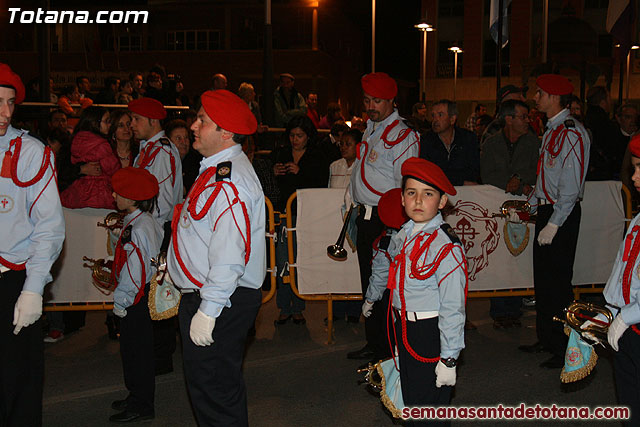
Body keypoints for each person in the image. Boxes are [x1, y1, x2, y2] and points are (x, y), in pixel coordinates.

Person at [167, 89, 265, 426]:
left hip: (221, 298)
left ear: (225, 132)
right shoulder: (217, 169)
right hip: (216, 294)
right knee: (214, 388)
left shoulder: (229, 180)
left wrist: (208, 310)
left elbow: (229, 254)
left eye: (202, 121)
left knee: (214, 393)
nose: (193, 126)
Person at [363, 157, 466, 417]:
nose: (418, 201)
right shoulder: (405, 233)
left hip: (429, 332)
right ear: (402, 199)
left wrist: (449, 357)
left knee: (429, 408)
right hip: (404, 327)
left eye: (428, 194)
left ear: (442, 202)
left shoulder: (446, 246)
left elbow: (453, 306)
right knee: (412, 403)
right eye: (411, 192)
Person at [0, 62, 65, 426]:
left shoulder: (31, 152)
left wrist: (33, 288)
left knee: (19, 385)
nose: (6, 113)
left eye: (11, 103)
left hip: (13, 279)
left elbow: (49, 228)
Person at [345, 72, 419, 363]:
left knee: (386, 289)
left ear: (391, 101)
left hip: (387, 220)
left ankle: (388, 351)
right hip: (367, 216)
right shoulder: (371, 128)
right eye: (367, 100)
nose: (370, 105)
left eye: (377, 101)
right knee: (370, 284)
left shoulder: (402, 135)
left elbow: (408, 185)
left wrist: (397, 227)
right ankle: (375, 343)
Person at [518, 74, 590, 369]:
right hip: (550, 211)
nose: (536, 97)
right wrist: (531, 204)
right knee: (544, 280)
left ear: (554, 97)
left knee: (558, 282)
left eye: (540, 93)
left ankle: (563, 346)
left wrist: (555, 222)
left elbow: (570, 187)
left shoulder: (571, 132)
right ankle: (548, 337)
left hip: (562, 213)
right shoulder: (553, 130)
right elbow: (546, 177)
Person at [109, 167, 163, 423]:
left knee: (136, 352)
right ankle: (136, 395)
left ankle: (142, 403)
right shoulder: (144, 221)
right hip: (140, 295)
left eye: (117, 192)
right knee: (134, 350)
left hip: (135, 298)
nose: (113, 195)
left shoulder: (138, 228)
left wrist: (122, 301)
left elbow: (135, 270)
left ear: (131, 199)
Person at [481, 99, 540, 329]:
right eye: (523, 116)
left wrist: (522, 181)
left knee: (519, 253)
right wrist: (508, 183)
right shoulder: (492, 143)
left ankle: (515, 307)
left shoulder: (533, 143)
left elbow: (537, 169)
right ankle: (500, 310)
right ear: (509, 119)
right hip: (497, 206)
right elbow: (486, 173)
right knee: (499, 255)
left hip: (524, 207)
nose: (527, 121)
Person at [271, 115, 329, 325]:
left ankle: (299, 307)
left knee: (301, 261)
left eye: (300, 136)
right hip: (284, 214)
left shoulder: (316, 156)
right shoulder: (280, 153)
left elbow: (322, 182)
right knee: (282, 261)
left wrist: (301, 172)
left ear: (308, 137)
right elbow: (270, 184)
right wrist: (274, 172)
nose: (295, 140)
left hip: (306, 215)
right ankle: (284, 306)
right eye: (292, 135)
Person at [601, 134, 640, 427]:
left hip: (635, 322)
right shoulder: (639, 219)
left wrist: (625, 317)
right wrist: (611, 309)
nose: (634, 177)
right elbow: (623, 264)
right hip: (628, 326)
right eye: (634, 168)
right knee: (628, 399)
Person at [129, 97, 183, 225]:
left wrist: (146, 228)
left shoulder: (161, 152)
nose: (131, 124)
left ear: (153, 121)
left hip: (156, 228)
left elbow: (161, 203)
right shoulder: (149, 148)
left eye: (137, 119)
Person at [328, 129, 361, 323]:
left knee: (354, 266)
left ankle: (355, 310)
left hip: (354, 221)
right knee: (335, 267)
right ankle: (337, 310)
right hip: (335, 221)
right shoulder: (334, 166)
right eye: (341, 143)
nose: (343, 147)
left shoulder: (363, 167)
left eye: (348, 144)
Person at [60, 107, 121, 209]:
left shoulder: (74, 141)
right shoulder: (103, 145)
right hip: (100, 196)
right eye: (106, 121)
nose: (109, 125)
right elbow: (112, 168)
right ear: (94, 123)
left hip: (75, 196)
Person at [420, 99, 480, 186]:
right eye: (433, 116)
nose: (435, 120)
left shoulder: (468, 138)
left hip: (466, 192)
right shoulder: (426, 141)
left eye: (440, 115)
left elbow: (474, 170)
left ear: (452, 119)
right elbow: (429, 173)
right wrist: (459, 181)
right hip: (437, 189)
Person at [585, 86, 621, 181]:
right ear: (603, 102)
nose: (611, 102)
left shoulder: (585, 120)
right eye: (609, 98)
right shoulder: (606, 124)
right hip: (602, 173)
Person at [165, 118, 202, 195]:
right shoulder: (163, 161)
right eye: (178, 138)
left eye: (186, 138)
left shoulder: (196, 162)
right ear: (168, 141)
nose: (184, 142)